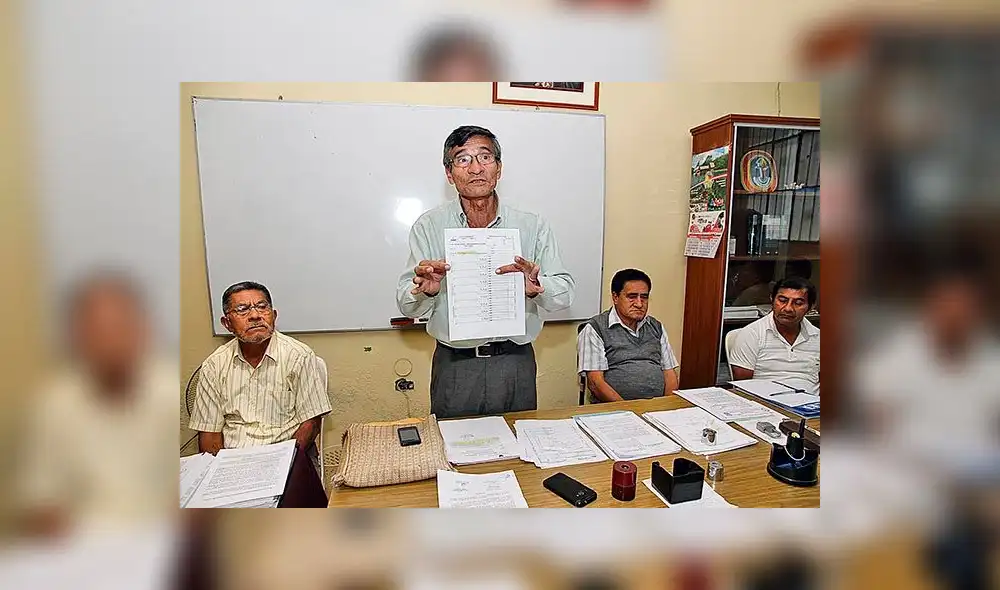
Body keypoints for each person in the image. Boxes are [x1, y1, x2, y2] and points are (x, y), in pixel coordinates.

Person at [396, 125, 575, 419]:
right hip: (455, 365)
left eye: (485, 157)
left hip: (515, 363)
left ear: (499, 168)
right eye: (463, 159)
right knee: (455, 453)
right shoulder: (429, 226)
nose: (476, 168)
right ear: (449, 173)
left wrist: (537, 286)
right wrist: (426, 290)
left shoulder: (532, 225)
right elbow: (405, 301)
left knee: (520, 450)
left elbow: (565, 293)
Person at [19, 272, 176, 535]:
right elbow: (41, 501)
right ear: (75, 338)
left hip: (162, 541)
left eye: (121, 328)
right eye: (97, 331)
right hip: (83, 549)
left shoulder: (168, 390)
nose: (111, 342)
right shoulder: (54, 404)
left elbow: (184, 490)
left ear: (143, 330)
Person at [188, 281, 332, 467]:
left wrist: (282, 465)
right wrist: (220, 473)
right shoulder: (214, 366)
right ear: (227, 323)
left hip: (286, 459)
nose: (255, 315)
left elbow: (310, 424)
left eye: (262, 307)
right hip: (233, 463)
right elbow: (209, 435)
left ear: (274, 315)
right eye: (242, 309)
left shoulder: (299, 356)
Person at [577, 269, 679, 402]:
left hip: (655, 409)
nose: (639, 304)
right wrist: (629, 410)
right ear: (615, 297)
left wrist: (666, 407)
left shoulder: (656, 327)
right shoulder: (595, 328)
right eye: (632, 297)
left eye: (644, 297)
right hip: (616, 411)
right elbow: (596, 383)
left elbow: (669, 374)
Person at [729, 277, 820, 394]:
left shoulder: (819, 338)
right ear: (772, 299)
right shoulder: (752, 333)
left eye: (798, 303)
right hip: (767, 403)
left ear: (811, 307)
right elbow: (743, 385)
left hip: (811, 406)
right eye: (782, 300)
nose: (788, 308)